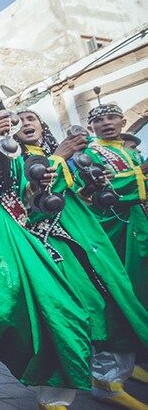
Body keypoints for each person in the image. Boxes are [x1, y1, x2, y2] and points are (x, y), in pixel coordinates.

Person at [0, 86, 108, 409]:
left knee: (60, 305)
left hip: (17, 233)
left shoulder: (11, 149)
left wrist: (37, 187)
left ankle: (54, 394)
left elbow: (25, 200)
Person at [16, 108, 148, 407]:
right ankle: (54, 396)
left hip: (86, 236)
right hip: (49, 243)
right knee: (67, 313)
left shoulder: (68, 155)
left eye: (31, 119)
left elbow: (82, 194)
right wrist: (60, 156)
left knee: (114, 301)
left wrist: (93, 184)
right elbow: (32, 200)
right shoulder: (12, 160)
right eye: (19, 121)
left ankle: (109, 377)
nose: (26, 124)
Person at [81, 104, 147, 310]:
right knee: (132, 272)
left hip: (140, 215)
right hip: (116, 221)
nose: (106, 123)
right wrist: (141, 172)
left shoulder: (133, 153)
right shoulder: (90, 154)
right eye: (99, 120)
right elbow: (104, 189)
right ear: (91, 128)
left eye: (111, 117)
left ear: (123, 122)